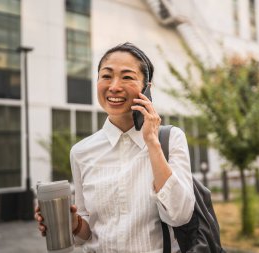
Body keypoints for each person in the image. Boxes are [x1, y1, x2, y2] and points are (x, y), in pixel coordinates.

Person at [35, 42, 195, 253]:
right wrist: (73, 222)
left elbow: (180, 214)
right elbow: (88, 232)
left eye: (127, 77)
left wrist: (152, 142)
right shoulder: (81, 152)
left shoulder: (169, 139)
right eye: (106, 76)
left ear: (147, 88)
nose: (114, 86)